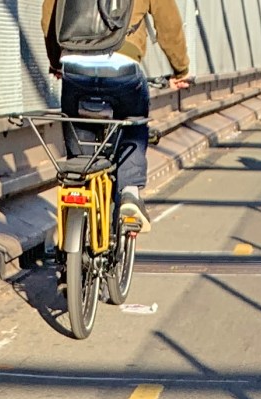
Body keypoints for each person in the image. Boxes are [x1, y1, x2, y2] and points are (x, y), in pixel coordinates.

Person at [42, 0, 191, 232]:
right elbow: (168, 23)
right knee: (134, 124)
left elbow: (49, 15)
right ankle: (130, 192)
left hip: (75, 64)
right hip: (122, 67)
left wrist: (56, 61)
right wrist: (180, 70)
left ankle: (79, 181)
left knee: (79, 129)